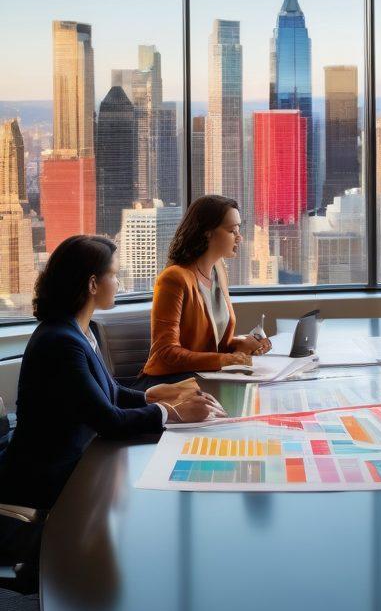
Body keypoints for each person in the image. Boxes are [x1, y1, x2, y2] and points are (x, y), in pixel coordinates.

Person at [0, 236, 223, 511]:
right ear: (92, 284)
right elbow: (109, 421)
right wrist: (173, 412)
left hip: (80, 464)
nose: (119, 284)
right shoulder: (60, 342)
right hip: (47, 484)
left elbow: (111, 393)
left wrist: (153, 396)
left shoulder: (83, 330)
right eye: (115, 275)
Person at [140, 195, 271, 383]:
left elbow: (210, 344)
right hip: (173, 384)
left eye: (239, 229)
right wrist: (226, 360)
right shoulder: (174, 278)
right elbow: (164, 353)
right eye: (232, 230)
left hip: (206, 378)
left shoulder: (219, 270)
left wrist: (241, 343)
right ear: (208, 232)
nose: (239, 237)